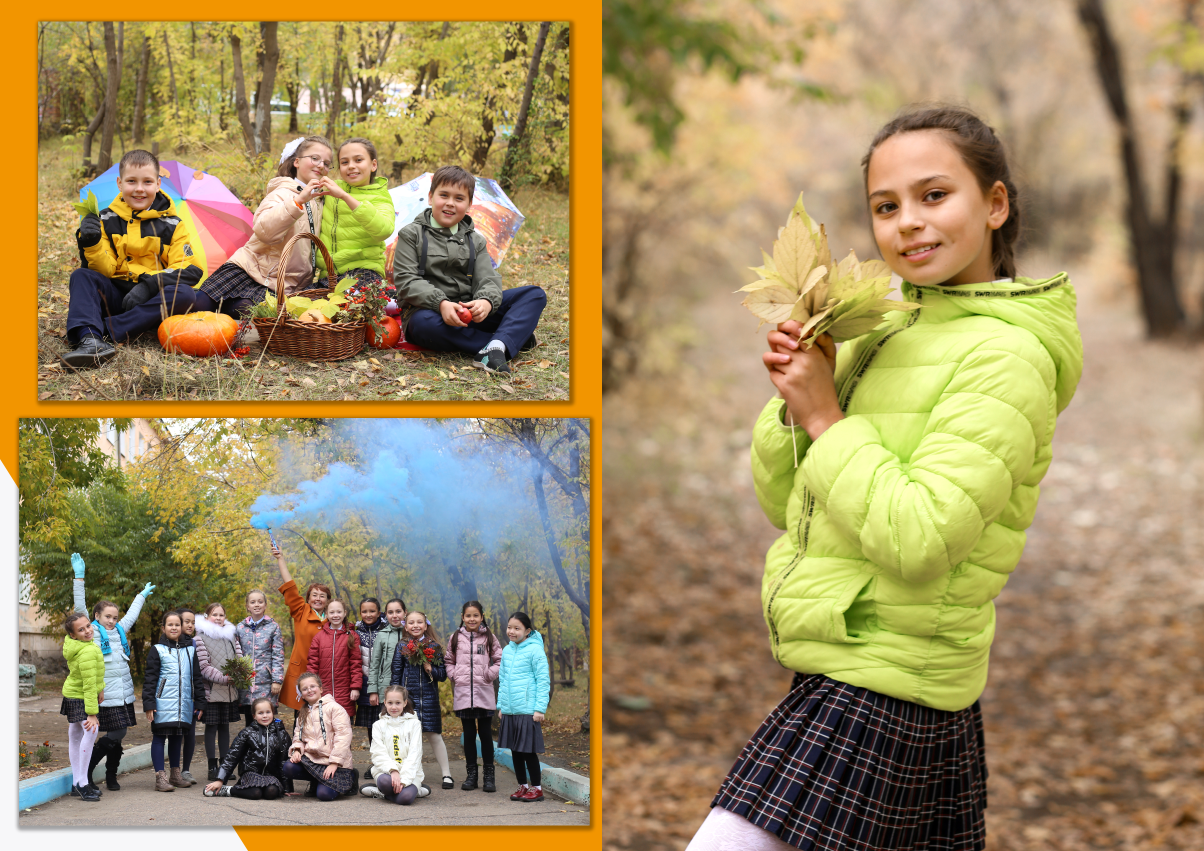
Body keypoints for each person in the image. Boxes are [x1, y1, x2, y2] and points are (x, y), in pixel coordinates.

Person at [687, 105, 1084, 851]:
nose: (908, 222)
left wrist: (826, 418)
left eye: (935, 195)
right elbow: (787, 506)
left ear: (995, 204)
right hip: (846, 657)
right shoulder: (888, 328)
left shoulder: (1007, 358)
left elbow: (922, 535)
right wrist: (795, 403)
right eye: (885, 206)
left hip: (889, 681)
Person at [393, 164, 545, 374]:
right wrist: (442, 303)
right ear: (430, 197)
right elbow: (407, 281)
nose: (450, 203)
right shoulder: (412, 235)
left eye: (459, 198)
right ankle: (505, 342)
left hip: (470, 310)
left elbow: (488, 279)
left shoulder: (476, 240)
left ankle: (496, 347)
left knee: (534, 295)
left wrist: (485, 301)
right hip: (429, 312)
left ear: (469, 203)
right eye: (443, 195)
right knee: (423, 325)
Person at [62, 149, 205, 367]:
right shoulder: (105, 219)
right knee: (82, 276)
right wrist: (90, 243)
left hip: (149, 302)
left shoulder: (174, 225)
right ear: (119, 183)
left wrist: (150, 285)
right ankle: (90, 339)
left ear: (158, 184)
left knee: (184, 293)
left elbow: (189, 268)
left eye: (147, 182)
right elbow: (104, 270)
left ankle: (110, 329)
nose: (139, 189)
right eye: (131, 181)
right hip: (115, 293)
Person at [191, 136, 332, 319]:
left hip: (280, 283)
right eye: (314, 158)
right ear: (296, 162)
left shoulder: (320, 201)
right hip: (250, 268)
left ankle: (222, 316)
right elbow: (264, 231)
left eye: (327, 163)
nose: (321, 165)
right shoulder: (282, 193)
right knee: (200, 303)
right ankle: (160, 306)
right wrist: (297, 202)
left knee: (248, 309)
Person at [69, 552, 154, 792]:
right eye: (108, 616)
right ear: (96, 617)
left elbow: (133, 615)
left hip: (123, 693)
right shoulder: (92, 632)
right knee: (115, 732)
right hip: (103, 694)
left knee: (117, 736)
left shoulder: (120, 631)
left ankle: (111, 775)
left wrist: (140, 596)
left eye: (115, 617)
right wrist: (79, 577)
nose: (112, 621)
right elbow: (79, 607)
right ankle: (84, 773)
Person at [316, 137, 396, 290]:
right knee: (296, 306)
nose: (351, 166)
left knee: (350, 305)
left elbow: (384, 230)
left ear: (373, 165)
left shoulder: (379, 195)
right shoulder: (331, 188)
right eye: (344, 162)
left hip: (364, 272)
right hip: (329, 275)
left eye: (358, 160)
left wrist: (345, 197)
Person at [142, 611, 207, 793]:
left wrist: (200, 703)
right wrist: (149, 704)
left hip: (184, 704)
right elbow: (150, 679)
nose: (174, 628)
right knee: (159, 738)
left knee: (178, 737)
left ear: (181, 627)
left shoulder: (190, 650)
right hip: (162, 704)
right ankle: (160, 777)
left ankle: (175, 774)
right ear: (163, 628)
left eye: (177, 624)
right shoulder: (157, 650)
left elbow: (196, 678)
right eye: (170, 625)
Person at [390, 610, 452, 788]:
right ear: (406, 626)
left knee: (434, 735)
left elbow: (442, 675)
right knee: (406, 738)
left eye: (419, 622)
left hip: (429, 698)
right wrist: (395, 697)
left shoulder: (434, 646)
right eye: (411, 622)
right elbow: (396, 673)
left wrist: (430, 668)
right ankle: (408, 773)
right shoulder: (402, 646)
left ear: (426, 625)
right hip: (407, 699)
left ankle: (446, 774)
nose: (415, 625)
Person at [445, 600, 503, 792]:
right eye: (468, 615)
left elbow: (500, 659)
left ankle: (489, 776)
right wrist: (454, 675)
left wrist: (490, 674)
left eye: (475, 615)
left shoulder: (489, 637)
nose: (472, 619)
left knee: (485, 735)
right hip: (463, 693)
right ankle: (471, 775)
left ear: (482, 617)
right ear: (463, 617)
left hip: (483, 692)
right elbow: (448, 661)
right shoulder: (455, 637)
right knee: (469, 735)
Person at [271, 541, 329, 729]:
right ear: (308, 598)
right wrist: (281, 559)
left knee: (323, 714)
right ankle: (298, 750)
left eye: (322, 596)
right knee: (301, 714)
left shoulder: (334, 618)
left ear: (328, 600)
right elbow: (290, 586)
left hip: (325, 673)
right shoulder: (301, 611)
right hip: (302, 670)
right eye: (314, 595)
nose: (318, 598)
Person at [497, 611, 550, 803]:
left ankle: (537, 788)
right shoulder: (506, 650)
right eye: (509, 627)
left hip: (528, 710)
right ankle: (523, 786)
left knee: (528, 751)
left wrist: (540, 709)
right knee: (515, 751)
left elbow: (543, 680)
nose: (512, 631)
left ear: (527, 631)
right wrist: (501, 706)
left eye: (517, 628)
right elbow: (502, 680)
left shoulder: (535, 650)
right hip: (510, 710)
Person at [283, 672, 359, 800]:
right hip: (312, 759)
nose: (309, 690)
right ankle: (317, 780)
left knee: (324, 795)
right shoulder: (302, 713)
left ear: (321, 689)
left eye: (313, 686)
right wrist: (297, 749)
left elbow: (343, 737)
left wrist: (334, 763)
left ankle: (351, 776)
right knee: (288, 767)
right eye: (305, 689)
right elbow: (298, 736)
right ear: (301, 694)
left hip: (333, 761)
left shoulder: (335, 709)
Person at [194, 602, 245, 781]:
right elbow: (204, 666)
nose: (218, 618)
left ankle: (225, 766)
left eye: (221, 615)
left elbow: (239, 658)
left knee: (225, 728)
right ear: (207, 617)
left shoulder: (231, 637)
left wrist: (240, 673)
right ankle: (211, 767)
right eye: (214, 615)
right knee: (211, 728)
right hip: (213, 691)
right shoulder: (200, 638)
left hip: (229, 691)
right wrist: (225, 678)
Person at [204, 697, 292, 799]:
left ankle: (249, 790)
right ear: (254, 716)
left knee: (272, 793)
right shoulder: (247, 733)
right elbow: (232, 756)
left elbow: (284, 760)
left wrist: (287, 788)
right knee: (255, 793)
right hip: (251, 773)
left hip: (271, 775)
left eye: (268, 712)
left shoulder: (281, 734)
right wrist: (220, 780)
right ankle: (228, 790)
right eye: (260, 713)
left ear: (273, 713)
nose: (265, 716)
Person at [60, 613, 105, 802]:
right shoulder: (86, 651)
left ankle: (76, 783)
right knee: (91, 730)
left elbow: (94, 677)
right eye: (81, 629)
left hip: (74, 694)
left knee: (75, 735)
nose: (87, 631)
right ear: (73, 635)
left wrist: (100, 688)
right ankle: (82, 783)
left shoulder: (81, 645)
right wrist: (92, 713)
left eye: (88, 626)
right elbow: (87, 684)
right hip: (80, 696)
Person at [360, 685, 430, 804]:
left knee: (405, 798)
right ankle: (406, 791)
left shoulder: (415, 724)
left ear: (404, 703)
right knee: (386, 783)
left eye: (398, 703)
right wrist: (393, 771)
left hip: (410, 772)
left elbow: (415, 753)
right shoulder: (378, 725)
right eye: (390, 703)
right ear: (385, 703)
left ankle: (383, 793)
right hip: (386, 772)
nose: (394, 707)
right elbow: (378, 753)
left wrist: (404, 780)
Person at [235, 589, 285, 727]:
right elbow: (236, 654)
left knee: (266, 719)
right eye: (253, 602)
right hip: (246, 683)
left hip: (266, 683)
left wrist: (277, 680)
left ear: (265, 605)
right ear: (247, 606)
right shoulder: (239, 628)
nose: (256, 604)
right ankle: (251, 748)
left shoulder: (273, 627)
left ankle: (268, 748)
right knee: (250, 720)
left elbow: (278, 655)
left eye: (260, 601)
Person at [306, 599, 360, 719]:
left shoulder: (352, 636)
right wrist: (311, 686)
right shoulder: (319, 637)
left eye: (339, 612)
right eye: (332, 612)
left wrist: (355, 687)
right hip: (323, 692)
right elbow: (312, 664)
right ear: (326, 613)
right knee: (325, 727)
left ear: (345, 613)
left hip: (345, 693)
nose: (335, 615)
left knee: (343, 729)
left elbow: (356, 664)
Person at [366, 598, 408, 738]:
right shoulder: (382, 635)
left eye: (398, 611)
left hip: (407, 687)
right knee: (385, 728)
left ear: (405, 613)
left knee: (405, 729)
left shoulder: (411, 633)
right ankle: (383, 759)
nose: (394, 615)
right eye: (390, 612)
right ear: (385, 615)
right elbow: (375, 664)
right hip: (385, 687)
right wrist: (373, 690)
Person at [353, 598, 387, 755]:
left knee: (386, 724)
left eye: (372, 611)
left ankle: (389, 760)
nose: (368, 614)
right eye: (364, 611)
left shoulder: (387, 630)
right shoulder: (356, 632)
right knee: (371, 726)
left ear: (379, 613)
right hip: (365, 683)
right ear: (360, 613)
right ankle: (376, 760)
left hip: (385, 683)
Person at [176, 607, 200, 784]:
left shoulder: (193, 644)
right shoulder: (167, 644)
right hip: (173, 697)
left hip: (190, 696)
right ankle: (174, 770)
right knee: (176, 734)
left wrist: (199, 699)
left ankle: (186, 770)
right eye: (187, 621)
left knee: (190, 733)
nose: (190, 625)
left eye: (193, 622)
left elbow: (196, 674)